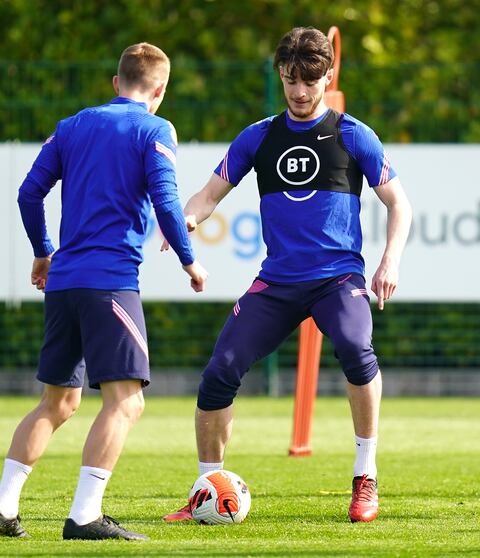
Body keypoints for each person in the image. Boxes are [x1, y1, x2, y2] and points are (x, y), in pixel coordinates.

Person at [161, 27, 412, 523]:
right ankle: (207, 489)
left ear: (329, 76)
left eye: (311, 81)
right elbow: (207, 196)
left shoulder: (352, 134)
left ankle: (366, 476)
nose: (300, 92)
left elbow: (398, 204)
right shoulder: (259, 137)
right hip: (277, 282)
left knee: (357, 350)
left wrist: (390, 261)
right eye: (292, 81)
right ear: (281, 74)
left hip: (338, 279)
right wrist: (185, 219)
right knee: (218, 372)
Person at [0, 42, 208, 541]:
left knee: (57, 402)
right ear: (160, 90)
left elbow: (28, 193)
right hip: (110, 283)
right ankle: (84, 515)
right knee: (126, 402)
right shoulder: (156, 128)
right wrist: (190, 260)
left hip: (64, 283)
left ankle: (2, 508)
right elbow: (167, 200)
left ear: (115, 82)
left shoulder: (73, 125)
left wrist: (43, 251)